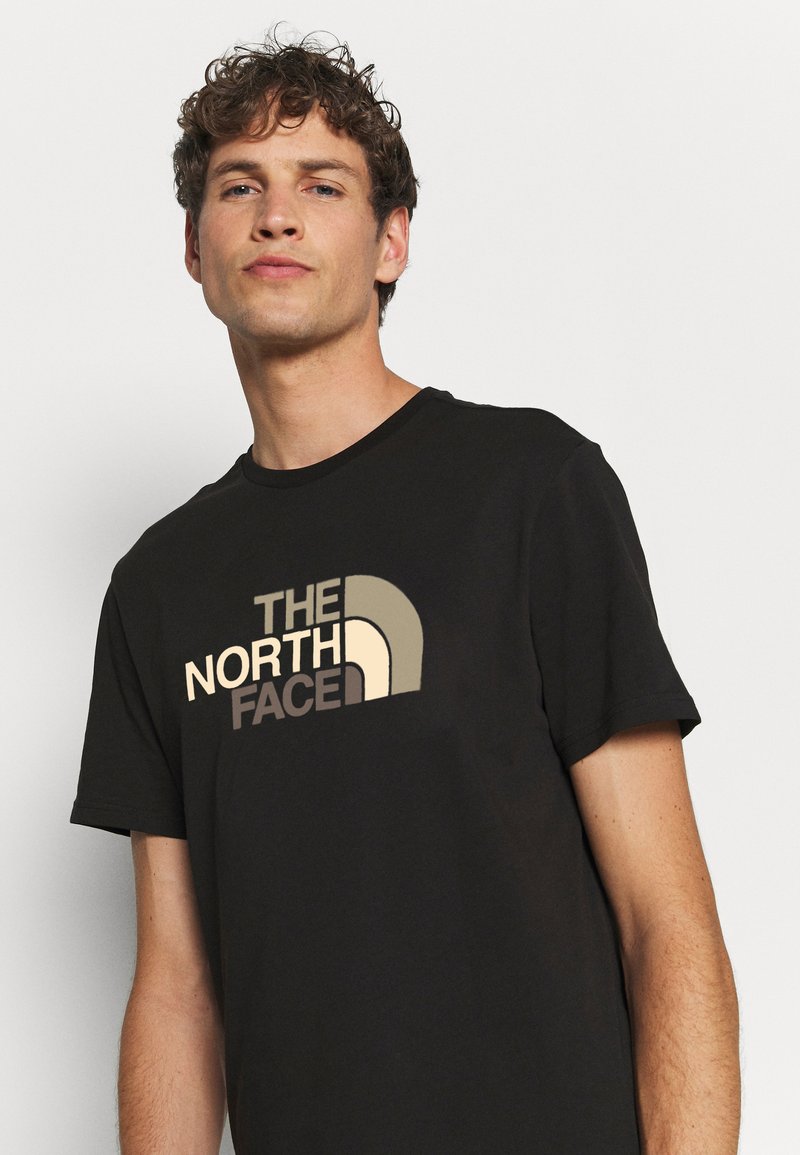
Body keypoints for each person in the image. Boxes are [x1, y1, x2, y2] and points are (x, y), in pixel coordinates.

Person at [70, 30, 740, 1155]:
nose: (276, 217)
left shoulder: (530, 488)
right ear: (194, 247)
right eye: (240, 186)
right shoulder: (159, 585)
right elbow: (178, 989)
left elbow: (663, 919)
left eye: (321, 185)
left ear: (391, 241)